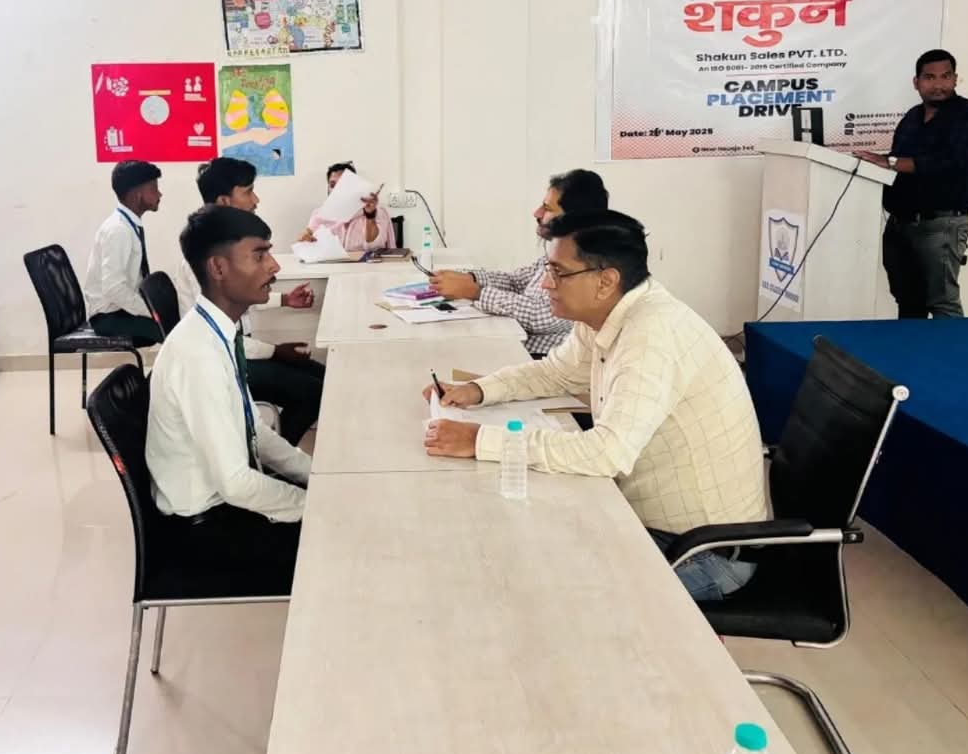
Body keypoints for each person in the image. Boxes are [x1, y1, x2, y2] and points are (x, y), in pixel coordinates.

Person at [422, 211, 767, 602]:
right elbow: (556, 373)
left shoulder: (651, 335)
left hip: (703, 553)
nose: (546, 284)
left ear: (606, 281)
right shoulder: (607, 314)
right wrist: (478, 390)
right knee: (515, 540)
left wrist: (481, 441)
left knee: (535, 589)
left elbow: (608, 453)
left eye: (559, 273)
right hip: (650, 524)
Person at [146, 205, 309, 593]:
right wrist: (313, 505)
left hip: (224, 502)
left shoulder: (217, 333)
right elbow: (235, 484)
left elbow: (255, 430)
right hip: (205, 529)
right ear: (218, 268)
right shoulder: (197, 354)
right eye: (259, 255)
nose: (274, 266)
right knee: (348, 540)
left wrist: (315, 476)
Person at [175, 158, 325, 444]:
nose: (256, 200)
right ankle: (273, 455)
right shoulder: (206, 258)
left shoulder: (228, 243)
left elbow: (238, 296)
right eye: (248, 191)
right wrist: (275, 351)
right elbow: (222, 337)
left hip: (240, 349)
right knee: (313, 392)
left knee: (323, 377)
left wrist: (285, 299)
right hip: (224, 362)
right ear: (225, 201)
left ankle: (275, 452)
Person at [429, 168, 609, 357]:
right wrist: (469, 278)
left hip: (542, 360)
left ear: (574, 218)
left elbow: (542, 316)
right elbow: (515, 281)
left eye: (547, 209)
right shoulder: (558, 252)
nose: (537, 213)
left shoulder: (590, 264)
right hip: (524, 353)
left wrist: (475, 292)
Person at [861, 49, 968, 318]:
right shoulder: (912, 116)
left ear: (955, 79)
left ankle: (953, 349)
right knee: (908, 300)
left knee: (942, 303)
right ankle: (911, 348)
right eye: (930, 77)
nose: (938, 85)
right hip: (901, 224)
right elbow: (898, 160)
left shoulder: (967, 115)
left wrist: (889, 162)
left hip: (941, 224)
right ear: (916, 82)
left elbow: (951, 162)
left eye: (945, 76)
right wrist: (871, 162)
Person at [82, 159, 163, 344]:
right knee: (171, 330)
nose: (159, 194)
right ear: (136, 194)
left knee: (174, 322)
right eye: (153, 188)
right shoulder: (118, 230)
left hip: (121, 309)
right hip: (108, 318)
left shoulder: (128, 224)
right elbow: (113, 288)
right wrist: (151, 312)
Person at [298, 161, 397, 251]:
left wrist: (370, 216)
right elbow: (308, 238)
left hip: (365, 265)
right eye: (332, 185)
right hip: (331, 265)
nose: (336, 190)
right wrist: (305, 239)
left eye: (342, 185)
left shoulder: (377, 211)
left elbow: (375, 247)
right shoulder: (319, 214)